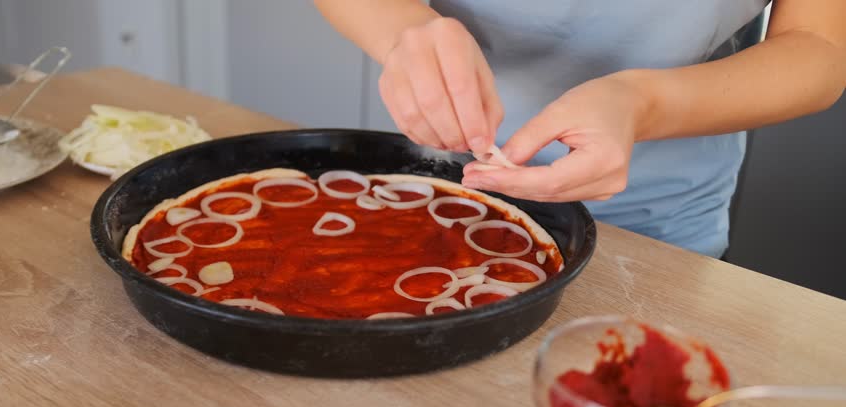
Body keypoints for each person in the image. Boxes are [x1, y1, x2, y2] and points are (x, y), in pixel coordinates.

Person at [313, 0, 845, 257]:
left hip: (658, 225)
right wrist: (401, 29)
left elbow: (819, 46)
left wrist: (643, 104)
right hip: (434, 188)